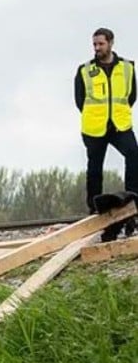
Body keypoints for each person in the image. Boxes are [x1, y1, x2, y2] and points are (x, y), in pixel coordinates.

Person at [76, 27, 138, 240]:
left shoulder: (128, 68)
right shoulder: (85, 70)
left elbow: (131, 96)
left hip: (120, 125)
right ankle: (94, 208)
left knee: (133, 155)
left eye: (100, 44)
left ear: (111, 43)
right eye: (94, 44)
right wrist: (98, 115)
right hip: (95, 127)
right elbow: (80, 100)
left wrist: (116, 114)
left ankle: (133, 200)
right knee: (94, 168)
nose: (97, 48)